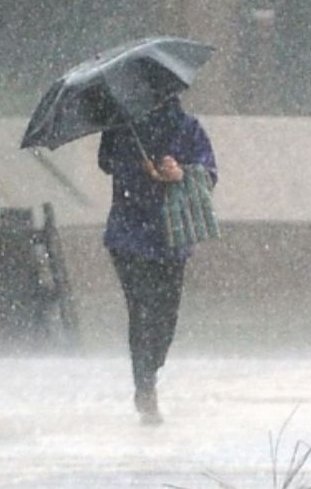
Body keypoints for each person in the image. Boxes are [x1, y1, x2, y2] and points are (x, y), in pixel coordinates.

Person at [98, 94, 217, 425]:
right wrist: (133, 155)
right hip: (128, 235)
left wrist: (178, 172)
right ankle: (145, 385)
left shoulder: (187, 127)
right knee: (141, 310)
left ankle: (150, 369)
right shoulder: (121, 126)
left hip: (170, 236)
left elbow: (209, 172)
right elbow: (106, 161)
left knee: (165, 318)